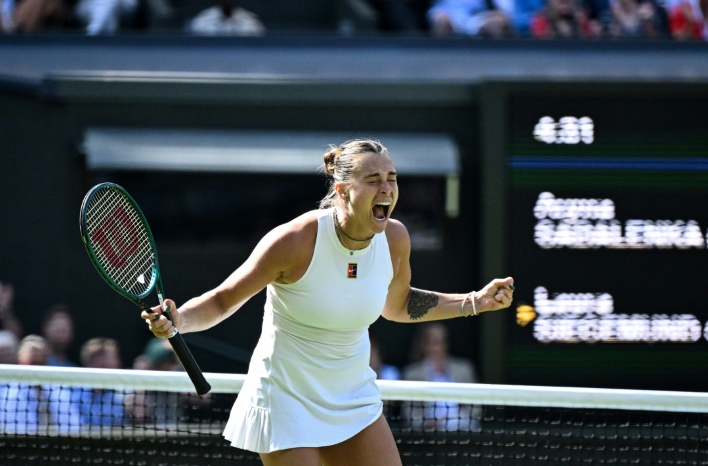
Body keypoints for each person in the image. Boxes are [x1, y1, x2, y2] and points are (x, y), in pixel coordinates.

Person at [140, 138, 515, 466]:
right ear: (343, 190)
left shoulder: (395, 239)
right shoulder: (294, 241)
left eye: (392, 178)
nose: (387, 188)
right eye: (373, 180)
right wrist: (180, 319)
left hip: (354, 398)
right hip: (285, 399)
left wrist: (473, 301)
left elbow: (398, 305)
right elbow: (223, 301)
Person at [401, 322, 481, 431]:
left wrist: (461, 417)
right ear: (423, 344)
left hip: (462, 429)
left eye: (442, 341)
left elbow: (476, 406)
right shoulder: (412, 374)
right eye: (434, 342)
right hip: (428, 433)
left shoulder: (464, 369)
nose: (438, 347)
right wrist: (428, 422)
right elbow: (409, 412)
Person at [75, 337, 128, 426]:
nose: (118, 363)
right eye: (114, 357)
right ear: (99, 360)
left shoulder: (120, 395)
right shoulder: (73, 394)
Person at [530, 0, 599, 38]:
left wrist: (581, 28)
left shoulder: (580, 19)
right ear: (551, 1)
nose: (566, 4)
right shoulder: (540, 19)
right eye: (562, 0)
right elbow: (539, 43)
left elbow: (589, 41)